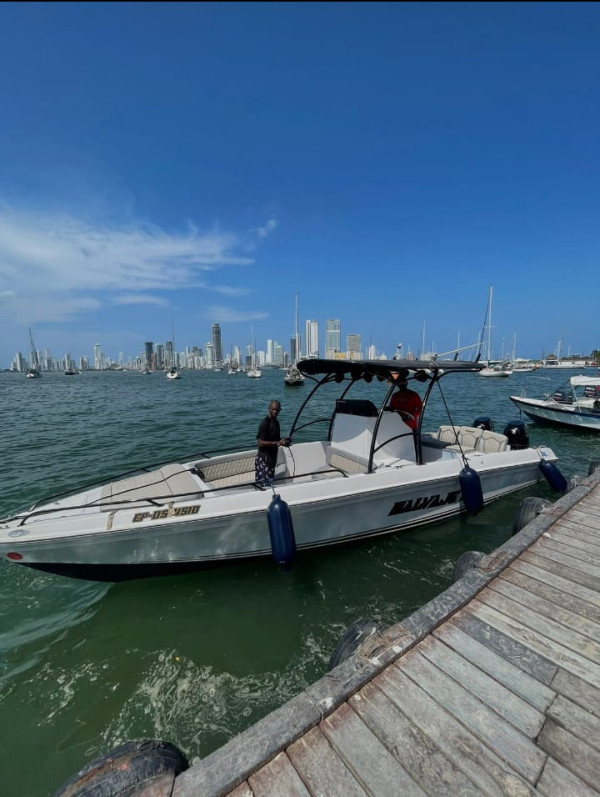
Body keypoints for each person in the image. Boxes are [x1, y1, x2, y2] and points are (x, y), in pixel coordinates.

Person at [255, 400, 288, 485]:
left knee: (270, 482)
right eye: (273, 409)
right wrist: (278, 443)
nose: (275, 412)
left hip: (272, 459)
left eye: (277, 410)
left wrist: (283, 440)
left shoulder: (277, 423)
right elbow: (260, 443)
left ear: (280, 410)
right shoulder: (265, 423)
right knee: (264, 486)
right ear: (269, 409)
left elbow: (276, 439)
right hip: (264, 459)